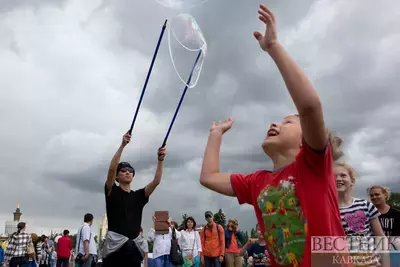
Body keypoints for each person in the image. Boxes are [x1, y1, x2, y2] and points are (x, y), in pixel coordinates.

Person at [199, 4, 350, 267]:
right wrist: (215, 135)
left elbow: (310, 106)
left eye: (289, 121)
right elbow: (208, 177)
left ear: (306, 140)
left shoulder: (312, 165)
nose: (276, 123)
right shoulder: (257, 182)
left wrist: (273, 47)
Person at [102, 131, 167, 267]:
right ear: (117, 177)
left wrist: (160, 161)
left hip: (133, 249)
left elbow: (156, 181)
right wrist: (122, 145)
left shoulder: (139, 195)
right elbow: (111, 170)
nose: (127, 172)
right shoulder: (112, 191)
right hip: (115, 249)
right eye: (123, 170)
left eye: (130, 171)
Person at [334, 162, 390, 267]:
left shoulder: (366, 205)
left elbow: (380, 237)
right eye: (333, 176)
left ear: (352, 181)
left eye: (343, 175)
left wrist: (386, 265)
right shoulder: (329, 210)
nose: (338, 179)